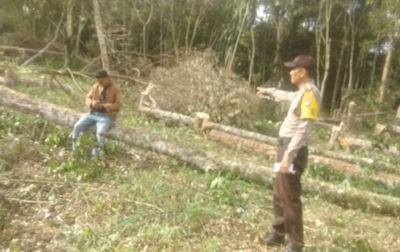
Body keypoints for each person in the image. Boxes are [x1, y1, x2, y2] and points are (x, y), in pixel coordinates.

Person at [256, 55, 321, 252]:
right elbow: (287, 96)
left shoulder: (310, 94)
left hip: (292, 150)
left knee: (289, 196)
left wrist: (288, 156)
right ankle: (278, 233)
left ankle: (296, 245)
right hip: (285, 147)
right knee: (279, 191)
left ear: (302, 72)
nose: (290, 72)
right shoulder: (302, 93)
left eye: (293, 69)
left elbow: (303, 129)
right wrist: (270, 91)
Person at [71, 69, 122, 157]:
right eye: (98, 82)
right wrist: (92, 103)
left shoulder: (116, 89)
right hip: (93, 113)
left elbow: (118, 104)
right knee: (77, 126)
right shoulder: (95, 86)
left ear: (107, 78)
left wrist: (104, 106)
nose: (100, 84)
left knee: (100, 133)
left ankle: (95, 157)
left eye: (102, 82)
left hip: (106, 116)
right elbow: (87, 98)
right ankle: (74, 151)